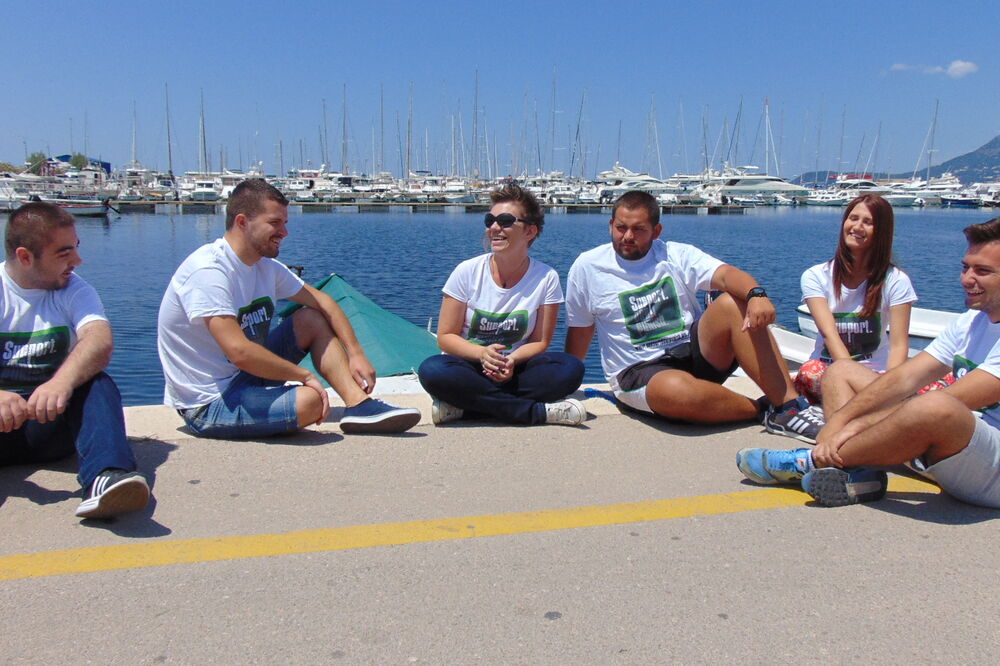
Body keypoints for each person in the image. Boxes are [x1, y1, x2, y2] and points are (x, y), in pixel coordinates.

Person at [736, 217, 1000, 508]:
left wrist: (855, 426)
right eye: (965, 267)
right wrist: (837, 420)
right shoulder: (972, 322)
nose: (966, 279)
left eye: (983, 271)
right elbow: (905, 378)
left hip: (991, 471)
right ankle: (858, 475)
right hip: (953, 450)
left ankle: (811, 461)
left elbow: (953, 400)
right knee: (841, 371)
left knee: (937, 405)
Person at [157, 179, 420, 438]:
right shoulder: (209, 271)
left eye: (285, 223)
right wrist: (304, 375)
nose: (284, 232)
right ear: (242, 222)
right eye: (275, 223)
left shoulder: (265, 267)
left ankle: (359, 405)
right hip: (208, 403)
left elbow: (325, 302)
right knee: (310, 401)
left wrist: (356, 354)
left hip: (245, 377)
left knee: (310, 318)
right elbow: (239, 351)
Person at [564, 190, 823, 440]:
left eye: (639, 229)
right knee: (677, 391)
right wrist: (565, 384)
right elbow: (580, 331)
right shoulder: (588, 267)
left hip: (693, 353)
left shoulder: (675, 254)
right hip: (640, 371)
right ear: (611, 225)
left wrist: (756, 294)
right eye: (621, 228)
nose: (628, 236)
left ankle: (790, 407)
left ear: (656, 232)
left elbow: (724, 275)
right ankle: (762, 409)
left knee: (733, 302)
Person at [0, 202, 149, 519]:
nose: (77, 262)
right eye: (63, 253)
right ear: (25, 257)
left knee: (96, 382)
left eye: (76, 249)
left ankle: (106, 476)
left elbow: (99, 340)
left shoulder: (73, 289)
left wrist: (60, 383)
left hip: (47, 422)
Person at [418, 184, 586, 425]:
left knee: (570, 368)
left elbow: (540, 341)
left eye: (505, 221)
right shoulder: (467, 271)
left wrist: (512, 360)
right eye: (490, 220)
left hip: (515, 368)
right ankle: (533, 412)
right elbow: (446, 337)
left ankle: (468, 408)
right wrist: (482, 354)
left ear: (530, 231)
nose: (494, 228)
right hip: (470, 366)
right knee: (433, 370)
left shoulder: (546, 277)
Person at [794, 194, 919, 403]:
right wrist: (849, 376)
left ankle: (881, 402)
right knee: (810, 372)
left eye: (868, 222)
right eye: (853, 218)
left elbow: (899, 346)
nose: (857, 227)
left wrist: (892, 385)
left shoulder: (896, 280)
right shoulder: (816, 276)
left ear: (882, 232)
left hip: (877, 375)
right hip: (829, 369)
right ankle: (882, 405)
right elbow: (829, 334)